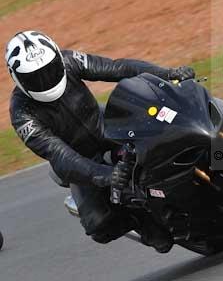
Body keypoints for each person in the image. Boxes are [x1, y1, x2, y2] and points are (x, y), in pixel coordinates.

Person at [6, 30, 196, 253]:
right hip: (79, 161)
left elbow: (118, 68)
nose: (46, 79)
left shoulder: (70, 61)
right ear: (18, 79)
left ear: (57, 57)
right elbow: (59, 155)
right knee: (100, 224)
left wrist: (167, 73)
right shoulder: (22, 113)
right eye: (35, 78)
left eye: (50, 70)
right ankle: (143, 222)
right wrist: (105, 175)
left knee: (171, 131)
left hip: (109, 128)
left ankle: (221, 159)